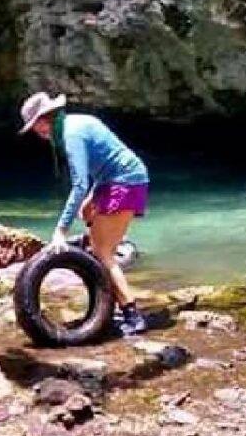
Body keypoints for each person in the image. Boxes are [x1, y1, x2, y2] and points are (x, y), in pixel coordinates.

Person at [18, 91, 150, 336]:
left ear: (43, 121)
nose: (37, 133)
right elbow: (106, 162)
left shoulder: (71, 135)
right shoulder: (76, 122)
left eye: (34, 127)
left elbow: (79, 184)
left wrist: (60, 230)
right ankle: (107, 307)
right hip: (115, 180)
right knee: (95, 241)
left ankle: (133, 316)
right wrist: (91, 198)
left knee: (102, 253)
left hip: (125, 182)